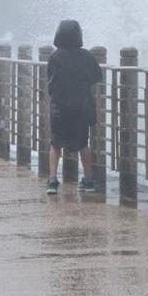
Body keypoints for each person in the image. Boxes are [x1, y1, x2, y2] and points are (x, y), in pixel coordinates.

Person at [45, 19, 102, 194]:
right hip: (80, 109)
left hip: (60, 109)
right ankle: (89, 180)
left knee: (55, 144)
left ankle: (53, 180)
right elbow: (97, 76)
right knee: (83, 145)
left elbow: (50, 79)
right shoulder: (86, 56)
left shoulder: (54, 57)